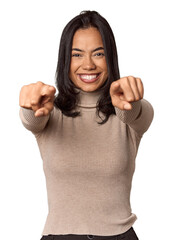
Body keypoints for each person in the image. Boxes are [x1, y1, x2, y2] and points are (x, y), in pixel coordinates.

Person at [19, 10, 154, 240]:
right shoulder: (51, 111)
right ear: (65, 60)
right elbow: (33, 119)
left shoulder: (128, 112)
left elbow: (136, 114)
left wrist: (128, 103)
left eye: (98, 53)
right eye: (77, 55)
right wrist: (29, 106)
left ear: (110, 57)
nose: (88, 65)